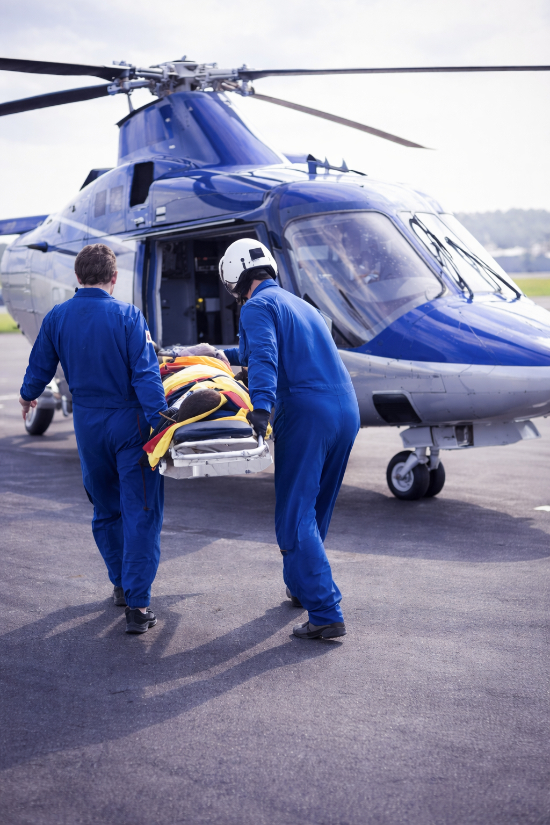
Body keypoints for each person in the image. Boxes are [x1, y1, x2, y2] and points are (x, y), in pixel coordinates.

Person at [19, 244, 167, 634]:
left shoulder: (57, 317)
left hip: (87, 425)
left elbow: (39, 368)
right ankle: (138, 606)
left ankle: (120, 584)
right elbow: (146, 377)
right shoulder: (128, 316)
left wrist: (27, 395)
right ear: (113, 278)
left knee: (105, 509)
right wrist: (162, 423)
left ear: (77, 277)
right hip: (129, 424)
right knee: (141, 510)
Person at [219, 239, 360, 639]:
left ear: (233, 277)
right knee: (315, 509)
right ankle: (302, 586)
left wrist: (260, 408)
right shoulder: (304, 306)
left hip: (306, 412)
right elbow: (277, 350)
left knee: (294, 515)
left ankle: (325, 610)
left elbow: (264, 355)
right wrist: (221, 355)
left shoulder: (256, 307)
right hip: (346, 410)